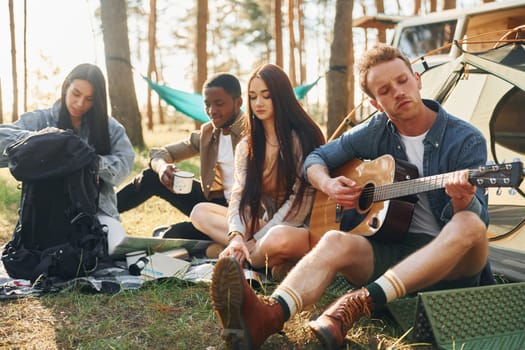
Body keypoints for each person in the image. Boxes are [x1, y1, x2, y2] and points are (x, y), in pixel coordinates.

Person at [209, 43, 490, 350]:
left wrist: (462, 200)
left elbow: (477, 223)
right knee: (333, 240)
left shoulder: (465, 139)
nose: (397, 92)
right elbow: (315, 159)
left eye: (402, 80)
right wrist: (328, 184)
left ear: (417, 79)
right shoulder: (376, 129)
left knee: (470, 224)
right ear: (374, 103)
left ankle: (359, 302)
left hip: (453, 262)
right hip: (394, 250)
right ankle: (268, 315)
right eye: (384, 90)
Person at [190, 63, 325, 269]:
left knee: (277, 239)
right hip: (262, 225)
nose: (258, 103)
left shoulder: (302, 139)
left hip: (297, 228)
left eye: (266, 95)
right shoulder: (247, 145)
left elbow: (299, 203)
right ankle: (257, 258)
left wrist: (255, 239)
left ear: (281, 96)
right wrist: (236, 235)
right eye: (253, 97)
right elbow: (239, 196)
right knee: (199, 212)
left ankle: (240, 257)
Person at [0, 63, 135, 256]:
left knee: (112, 248)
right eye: (76, 93)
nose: (80, 104)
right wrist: (40, 139)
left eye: (89, 99)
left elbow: (124, 165)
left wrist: (87, 159)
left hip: (95, 213)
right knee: (50, 255)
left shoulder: (110, 128)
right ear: (66, 87)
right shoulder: (41, 119)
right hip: (46, 213)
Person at [116, 73, 244, 245]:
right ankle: (98, 214)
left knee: (171, 236)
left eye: (219, 104)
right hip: (212, 203)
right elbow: (160, 153)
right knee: (152, 176)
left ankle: (204, 236)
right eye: (207, 105)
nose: (212, 111)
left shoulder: (254, 132)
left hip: (243, 213)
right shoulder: (208, 134)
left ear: (238, 103)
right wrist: (162, 168)